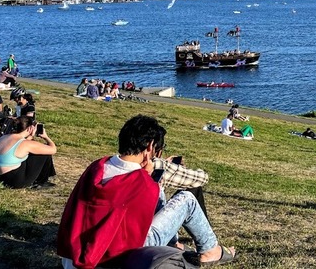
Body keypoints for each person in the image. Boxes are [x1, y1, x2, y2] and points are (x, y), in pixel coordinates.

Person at [57, 115, 235, 268]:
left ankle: (175, 244)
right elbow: (148, 215)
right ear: (150, 147)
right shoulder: (141, 182)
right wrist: (148, 176)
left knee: (159, 190)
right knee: (186, 199)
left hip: (75, 254)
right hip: (118, 256)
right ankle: (211, 250)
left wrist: (147, 176)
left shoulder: (97, 167)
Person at [0, 116, 56, 189]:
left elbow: (20, 145)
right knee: (44, 153)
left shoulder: (3, 137)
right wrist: (46, 137)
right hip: (14, 182)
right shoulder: (25, 144)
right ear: (30, 128)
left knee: (27, 153)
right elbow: (53, 150)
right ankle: (40, 182)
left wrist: (30, 136)